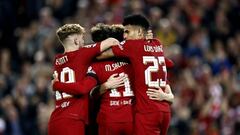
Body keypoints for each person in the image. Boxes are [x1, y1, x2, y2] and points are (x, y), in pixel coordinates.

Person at [99, 14, 174, 135]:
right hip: (164, 110)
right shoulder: (157, 44)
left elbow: (102, 55)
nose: (124, 36)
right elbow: (170, 64)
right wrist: (169, 97)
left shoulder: (133, 46)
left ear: (139, 32)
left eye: (127, 32)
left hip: (147, 112)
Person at [48, 24, 124, 135]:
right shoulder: (83, 53)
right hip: (72, 120)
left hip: (55, 120)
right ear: (76, 41)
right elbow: (112, 41)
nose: (84, 42)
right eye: (82, 39)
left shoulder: (57, 60)